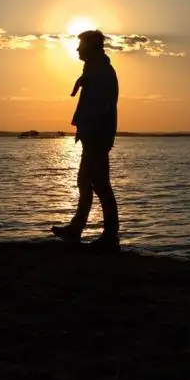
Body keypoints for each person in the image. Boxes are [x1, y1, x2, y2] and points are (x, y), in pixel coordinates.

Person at [51, 29, 120, 250]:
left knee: (99, 184)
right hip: (92, 137)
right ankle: (78, 228)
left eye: (81, 45)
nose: (77, 49)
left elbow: (103, 108)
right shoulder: (94, 70)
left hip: (97, 138)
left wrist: (93, 133)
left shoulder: (102, 72)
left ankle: (108, 235)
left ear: (91, 47)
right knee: (87, 182)